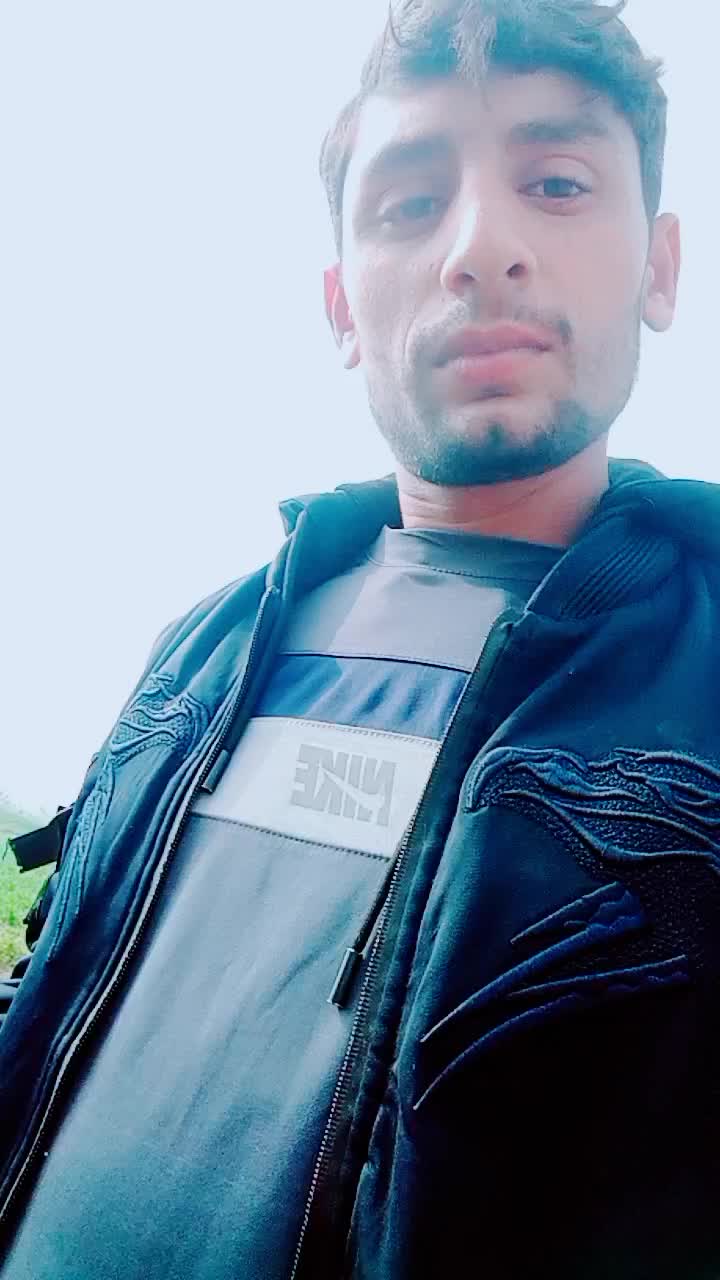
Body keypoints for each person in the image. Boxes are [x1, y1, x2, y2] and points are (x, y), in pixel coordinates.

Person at [2, 0, 718, 1275]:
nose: (482, 248)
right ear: (340, 306)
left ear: (660, 268)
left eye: (557, 183)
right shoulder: (203, 647)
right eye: (409, 203)